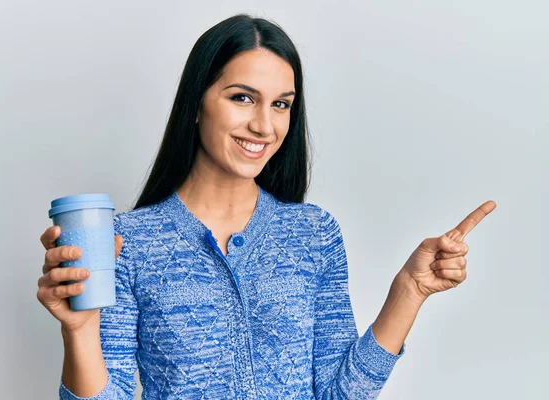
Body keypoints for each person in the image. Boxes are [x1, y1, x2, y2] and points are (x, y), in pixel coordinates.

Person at [37, 14, 496, 400]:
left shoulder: (313, 234)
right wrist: (77, 331)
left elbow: (338, 393)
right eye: (242, 97)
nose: (263, 125)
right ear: (197, 103)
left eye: (281, 104)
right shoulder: (128, 243)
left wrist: (409, 291)